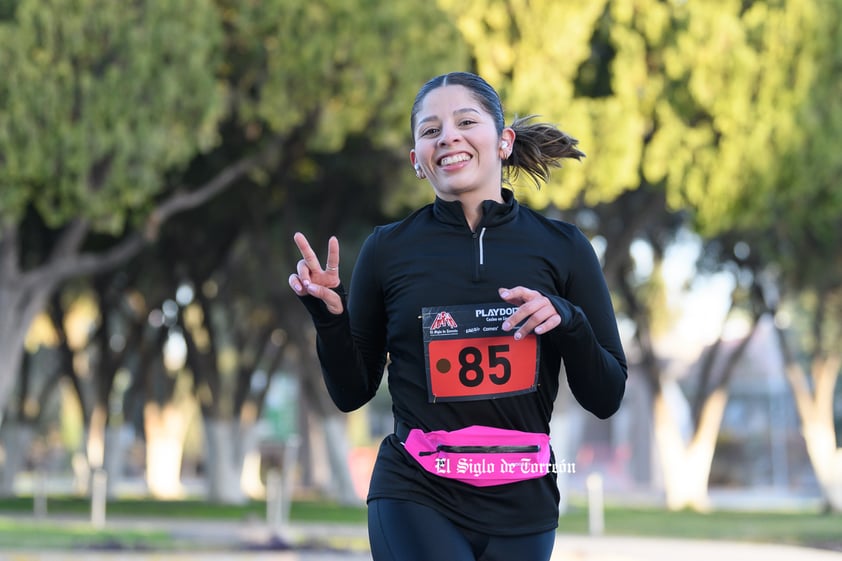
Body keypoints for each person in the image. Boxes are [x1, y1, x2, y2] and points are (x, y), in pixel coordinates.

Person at [289, 71, 627, 561]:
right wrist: (328, 319)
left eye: (466, 121)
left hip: (524, 501)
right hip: (416, 491)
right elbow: (351, 391)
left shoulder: (564, 249)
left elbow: (607, 395)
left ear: (504, 141)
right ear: (417, 161)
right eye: (430, 130)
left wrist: (566, 319)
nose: (447, 136)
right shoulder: (388, 250)